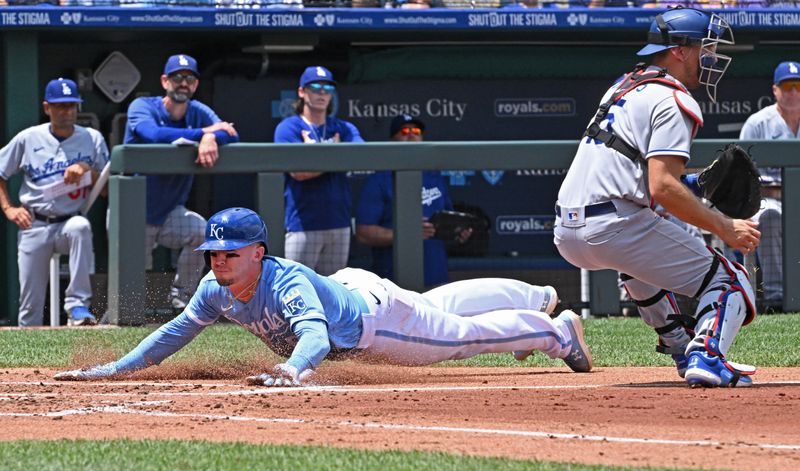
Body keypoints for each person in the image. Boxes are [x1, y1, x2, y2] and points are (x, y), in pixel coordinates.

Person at [54, 207, 591, 385]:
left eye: (231, 254)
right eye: (213, 255)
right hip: (355, 289)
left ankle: (554, 330)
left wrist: (293, 370)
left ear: (258, 253)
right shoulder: (214, 288)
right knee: (437, 308)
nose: (219, 262)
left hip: (373, 323)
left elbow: (312, 334)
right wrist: (113, 369)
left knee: (458, 337)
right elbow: (174, 333)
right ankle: (536, 297)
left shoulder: (283, 280)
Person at [554, 7, 761, 388]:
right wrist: (725, 226)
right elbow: (662, 188)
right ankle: (708, 356)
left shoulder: (625, 86)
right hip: (614, 224)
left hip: (568, 230)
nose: (711, 58)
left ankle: (681, 345)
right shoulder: (674, 100)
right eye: (705, 47)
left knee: (640, 260)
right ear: (680, 50)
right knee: (731, 281)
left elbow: (649, 183)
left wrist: (698, 184)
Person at [124, 54, 240, 310]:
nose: (183, 83)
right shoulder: (143, 105)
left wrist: (211, 139)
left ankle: (181, 298)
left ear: (196, 85)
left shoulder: (198, 111)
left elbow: (230, 132)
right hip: (133, 210)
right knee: (132, 276)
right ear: (165, 81)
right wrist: (204, 133)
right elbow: (152, 134)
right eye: (177, 78)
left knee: (201, 231)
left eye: (189, 79)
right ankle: (125, 314)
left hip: (169, 213)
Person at [0, 78, 108, 326]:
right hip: (34, 222)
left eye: (72, 105)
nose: (67, 111)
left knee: (81, 226)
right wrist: (9, 209)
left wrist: (87, 170)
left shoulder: (92, 138)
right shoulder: (28, 138)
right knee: (29, 307)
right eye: (60, 106)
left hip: (68, 221)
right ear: (47, 107)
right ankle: (28, 363)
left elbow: (106, 191)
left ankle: (78, 305)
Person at [356, 114, 467, 288]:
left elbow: (447, 221)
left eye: (416, 131)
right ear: (392, 140)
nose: (411, 134)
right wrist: (406, 235)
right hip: (393, 281)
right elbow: (364, 233)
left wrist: (458, 232)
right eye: (404, 131)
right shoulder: (379, 180)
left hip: (436, 276)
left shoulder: (434, 177)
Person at [274, 66, 363, 276]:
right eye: (315, 87)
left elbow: (360, 155)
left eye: (327, 87)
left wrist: (314, 155)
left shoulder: (343, 127)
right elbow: (298, 172)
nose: (322, 92)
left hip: (339, 223)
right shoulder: (289, 127)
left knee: (333, 294)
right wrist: (336, 152)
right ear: (302, 92)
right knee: (296, 289)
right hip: (303, 224)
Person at [738, 61, 794, 306]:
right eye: (787, 86)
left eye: (799, 86)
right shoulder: (758, 123)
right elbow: (742, 176)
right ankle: (776, 295)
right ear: (775, 90)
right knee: (770, 215)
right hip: (768, 199)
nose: (794, 92)